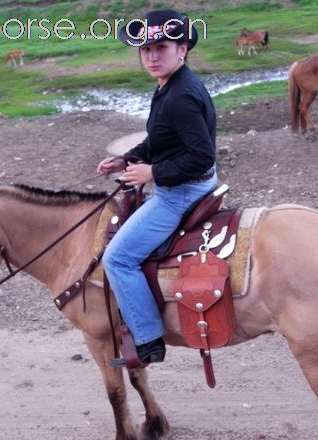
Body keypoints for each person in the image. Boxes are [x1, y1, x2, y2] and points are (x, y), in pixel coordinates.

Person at [97, 9, 217, 367]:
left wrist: (151, 173)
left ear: (182, 49)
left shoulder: (179, 96)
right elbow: (162, 137)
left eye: (161, 47)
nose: (151, 56)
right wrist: (128, 158)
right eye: (145, 49)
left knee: (117, 258)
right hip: (186, 185)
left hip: (180, 193)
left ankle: (149, 341)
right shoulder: (171, 86)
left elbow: (201, 156)